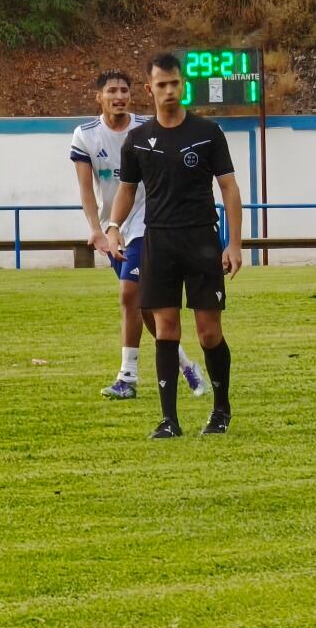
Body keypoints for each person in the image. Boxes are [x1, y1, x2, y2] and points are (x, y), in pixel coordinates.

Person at [104, 53, 244, 438]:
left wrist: (234, 244)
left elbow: (229, 188)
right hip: (158, 241)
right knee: (166, 330)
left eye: (175, 83)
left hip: (201, 240)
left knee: (208, 332)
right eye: (161, 85)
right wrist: (113, 226)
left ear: (183, 86)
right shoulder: (137, 140)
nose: (169, 90)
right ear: (149, 90)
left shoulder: (208, 132)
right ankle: (170, 420)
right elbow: (127, 190)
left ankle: (221, 411)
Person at [73, 70, 207, 400]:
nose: (119, 96)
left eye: (124, 91)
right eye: (112, 91)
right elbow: (87, 190)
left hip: (149, 225)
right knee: (147, 307)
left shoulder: (149, 129)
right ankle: (185, 365)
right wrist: (97, 230)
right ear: (99, 97)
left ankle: (127, 378)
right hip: (113, 230)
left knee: (128, 295)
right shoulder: (85, 135)